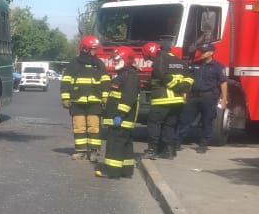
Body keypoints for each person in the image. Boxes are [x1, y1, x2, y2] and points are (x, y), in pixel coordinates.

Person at [60, 35, 109, 160]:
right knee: (79, 126)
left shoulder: (99, 64)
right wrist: (65, 98)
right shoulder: (74, 64)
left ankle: (94, 151)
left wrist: (105, 97)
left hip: (94, 101)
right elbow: (66, 81)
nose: (95, 51)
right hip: (77, 101)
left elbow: (105, 81)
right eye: (92, 49)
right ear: (85, 49)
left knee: (94, 126)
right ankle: (80, 150)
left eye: (95, 49)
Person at [143, 40, 193, 159]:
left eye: (149, 58)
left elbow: (161, 75)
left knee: (153, 124)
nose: (150, 60)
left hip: (162, 100)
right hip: (177, 101)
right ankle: (168, 151)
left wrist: (176, 86)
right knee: (169, 126)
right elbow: (190, 78)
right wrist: (183, 88)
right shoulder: (181, 62)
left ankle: (152, 150)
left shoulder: (159, 59)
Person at [176, 41, 227, 154]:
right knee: (185, 119)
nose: (202, 53)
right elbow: (188, 79)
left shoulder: (218, 67)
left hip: (208, 97)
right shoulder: (195, 64)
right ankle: (177, 142)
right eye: (201, 51)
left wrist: (224, 99)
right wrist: (185, 93)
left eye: (204, 51)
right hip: (193, 97)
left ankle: (203, 144)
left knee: (207, 121)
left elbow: (223, 83)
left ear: (211, 53)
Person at [96, 46, 139, 179]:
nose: (114, 62)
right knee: (125, 145)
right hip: (122, 119)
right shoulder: (124, 75)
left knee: (114, 145)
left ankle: (111, 171)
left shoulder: (129, 77)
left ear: (125, 59)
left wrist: (119, 115)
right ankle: (126, 171)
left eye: (116, 59)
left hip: (121, 119)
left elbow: (128, 98)